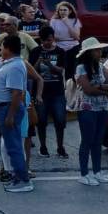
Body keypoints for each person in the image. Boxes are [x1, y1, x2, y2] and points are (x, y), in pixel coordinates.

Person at [0, 34, 32, 193]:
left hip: (8, 108)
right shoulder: (9, 63)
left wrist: (10, 115)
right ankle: (18, 177)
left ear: (7, 48)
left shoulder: (15, 67)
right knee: (11, 145)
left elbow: (16, 93)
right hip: (4, 108)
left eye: (1, 46)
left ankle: (22, 180)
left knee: (14, 146)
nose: (0, 49)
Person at [72, 37, 108, 186]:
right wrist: (103, 89)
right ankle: (84, 173)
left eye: (99, 49)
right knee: (87, 140)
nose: (99, 52)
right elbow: (88, 90)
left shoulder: (101, 66)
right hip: (87, 107)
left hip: (102, 106)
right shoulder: (81, 68)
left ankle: (97, 171)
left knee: (98, 140)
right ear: (89, 52)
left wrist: (100, 88)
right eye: (96, 50)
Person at [30, 26, 69, 158]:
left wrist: (50, 65)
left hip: (57, 91)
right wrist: (39, 61)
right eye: (45, 40)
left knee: (60, 120)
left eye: (50, 40)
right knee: (41, 120)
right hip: (41, 92)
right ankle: (43, 146)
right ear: (41, 40)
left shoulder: (60, 52)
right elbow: (32, 73)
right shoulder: (35, 51)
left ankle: (60, 146)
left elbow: (61, 70)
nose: (48, 43)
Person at [49, 1, 82, 73]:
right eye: (60, 10)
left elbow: (76, 37)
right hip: (59, 46)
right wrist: (67, 38)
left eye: (65, 10)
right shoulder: (54, 21)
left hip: (73, 46)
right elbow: (52, 36)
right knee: (58, 67)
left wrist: (67, 23)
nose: (62, 12)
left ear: (70, 11)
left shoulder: (75, 20)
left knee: (72, 69)